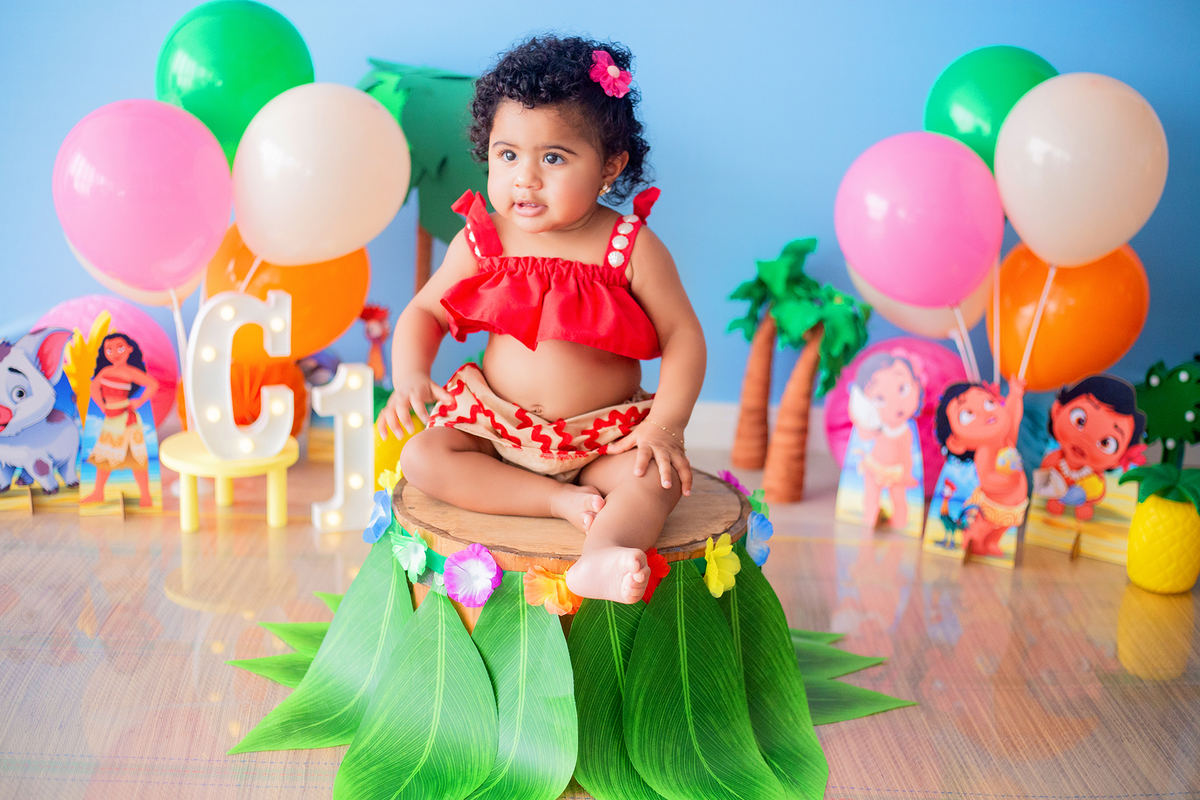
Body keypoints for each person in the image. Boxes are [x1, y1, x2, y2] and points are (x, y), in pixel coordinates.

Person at [377, 36, 706, 604]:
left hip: (601, 437)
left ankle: (601, 555)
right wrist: (410, 373)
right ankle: (553, 500)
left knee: (656, 479)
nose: (524, 178)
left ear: (610, 165)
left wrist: (665, 425)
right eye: (508, 156)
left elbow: (683, 337)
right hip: (498, 428)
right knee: (423, 456)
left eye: (552, 158)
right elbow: (426, 310)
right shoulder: (484, 239)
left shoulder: (628, 245)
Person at [934, 380, 1027, 557]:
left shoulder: (1006, 441)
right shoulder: (985, 451)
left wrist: (1015, 394)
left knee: (1000, 531)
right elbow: (987, 480)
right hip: (990, 507)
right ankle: (970, 540)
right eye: (968, 414)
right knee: (982, 527)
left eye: (989, 402)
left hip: (1012, 507)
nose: (985, 412)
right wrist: (1009, 479)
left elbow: (1013, 418)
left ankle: (991, 544)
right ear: (956, 442)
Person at [1038, 375, 1146, 521]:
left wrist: (1089, 496)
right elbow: (1044, 478)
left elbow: (1099, 492)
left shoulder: (1094, 476)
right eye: (1079, 421)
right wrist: (1053, 494)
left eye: (1106, 443)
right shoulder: (1054, 459)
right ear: (1057, 410)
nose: (1085, 440)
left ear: (1121, 457)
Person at [847, 349, 923, 530]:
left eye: (902, 389)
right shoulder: (876, 426)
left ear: (916, 387)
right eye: (880, 398)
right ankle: (870, 515)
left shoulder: (905, 431)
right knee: (871, 496)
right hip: (873, 466)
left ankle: (900, 521)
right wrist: (861, 416)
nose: (894, 404)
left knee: (898, 498)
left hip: (895, 472)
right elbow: (865, 434)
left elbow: (906, 454)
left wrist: (907, 473)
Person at [81, 333, 159, 507]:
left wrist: (139, 401)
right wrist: (101, 405)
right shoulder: (106, 371)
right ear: (105, 353)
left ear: (129, 349)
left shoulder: (130, 372)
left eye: (120, 347)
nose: (115, 353)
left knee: (136, 458)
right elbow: (93, 387)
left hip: (127, 420)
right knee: (103, 457)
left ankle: (145, 495)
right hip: (110, 419)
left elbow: (153, 384)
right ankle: (98, 492)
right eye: (109, 349)